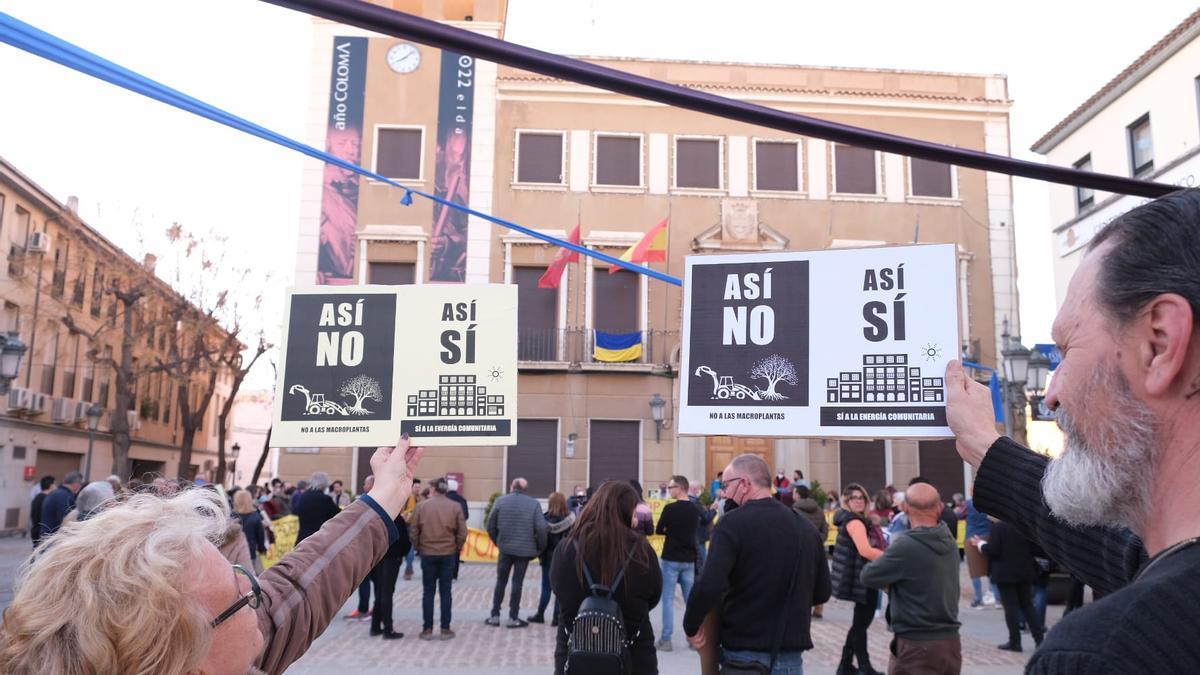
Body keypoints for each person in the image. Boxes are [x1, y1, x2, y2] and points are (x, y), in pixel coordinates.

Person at [941, 190, 1200, 673]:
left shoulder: (1105, 654)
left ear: (1159, 343)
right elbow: (1125, 556)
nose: (1051, 392)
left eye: (1065, 349)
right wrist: (986, 446)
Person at [0, 435, 423, 674]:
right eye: (241, 596)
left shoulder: (226, 648)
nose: (256, 586)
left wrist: (384, 496)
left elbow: (294, 589)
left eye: (240, 573)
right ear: (192, 662)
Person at [683, 454, 830, 674]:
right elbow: (822, 593)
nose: (723, 492)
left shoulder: (731, 524)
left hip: (745, 654)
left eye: (726, 485)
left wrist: (691, 626)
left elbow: (709, 584)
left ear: (744, 484)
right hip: (791, 657)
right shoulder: (805, 528)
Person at [551, 480, 662, 675]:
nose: (636, 519)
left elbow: (558, 589)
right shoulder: (642, 551)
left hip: (576, 655)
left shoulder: (566, 548)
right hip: (633, 656)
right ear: (627, 512)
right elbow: (654, 595)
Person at [862, 483, 962, 675]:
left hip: (916, 644)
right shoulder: (947, 538)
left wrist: (892, 583)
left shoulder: (906, 545)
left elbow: (869, 575)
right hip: (950, 643)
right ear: (940, 507)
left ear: (904, 507)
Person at [831, 482, 887, 675]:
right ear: (846, 501)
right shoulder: (855, 522)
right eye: (853, 498)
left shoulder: (852, 519)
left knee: (859, 622)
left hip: (858, 576)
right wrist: (891, 558)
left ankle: (845, 666)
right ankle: (864, 667)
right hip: (862, 578)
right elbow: (865, 550)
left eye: (861, 497)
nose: (858, 501)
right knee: (861, 623)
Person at [971, 520, 1045, 652]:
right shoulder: (1024, 525)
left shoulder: (999, 527)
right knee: (1027, 605)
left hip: (1005, 573)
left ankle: (1015, 641)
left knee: (1011, 608)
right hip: (1024, 571)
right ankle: (1039, 640)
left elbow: (994, 550)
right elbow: (1035, 548)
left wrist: (980, 544)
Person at [485, 477, 548, 627]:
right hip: (524, 551)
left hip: (505, 548)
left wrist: (498, 542)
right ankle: (513, 617)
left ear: (512, 487)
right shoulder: (534, 504)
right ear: (525, 489)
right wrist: (540, 548)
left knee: (501, 581)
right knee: (517, 583)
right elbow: (541, 529)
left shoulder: (500, 501)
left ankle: (495, 615)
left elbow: (490, 525)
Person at [411, 477, 468, 640]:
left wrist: (419, 547)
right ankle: (445, 628)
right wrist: (455, 547)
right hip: (448, 553)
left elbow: (414, 531)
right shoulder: (455, 506)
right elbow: (462, 532)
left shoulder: (422, 506)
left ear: (434, 489)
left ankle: (427, 629)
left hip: (428, 553)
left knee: (428, 591)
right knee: (445, 592)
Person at [654, 475, 702, 651]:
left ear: (680, 488)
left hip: (671, 558)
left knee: (667, 599)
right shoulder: (694, 509)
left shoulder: (670, 508)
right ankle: (694, 640)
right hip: (688, 559)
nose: (669, 489)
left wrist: (671, 531)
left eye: (671, 487)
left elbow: (659, 529)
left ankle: (666, 640)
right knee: (690, 601)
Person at [529, 491, 575, 626]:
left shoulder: (545, 520)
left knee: (546, 587)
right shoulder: (571, 520)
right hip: (565, 558)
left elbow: (541, 540)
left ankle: (540, 614)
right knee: (561, 589)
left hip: (548, 559)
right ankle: (557, 618)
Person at [369, 503, 412, 640]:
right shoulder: (397, 520)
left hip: (378, 559)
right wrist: (402, 554)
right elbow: (405, 542)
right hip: (391, 559)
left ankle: (375, 626)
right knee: (387, 593)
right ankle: (388, 629)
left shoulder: (378, 519)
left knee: (380, 592)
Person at [792, 484, 829, 619]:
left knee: (803, 578)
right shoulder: (818, 509)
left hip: (802, 549)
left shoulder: (795, 510)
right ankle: (819, 608)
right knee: (818, 576)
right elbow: (825, 528)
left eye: (794, 492)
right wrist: (819, 540)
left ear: (798, 495)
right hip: (817, 548)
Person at [346, 475, 377, 621]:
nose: (363, 486)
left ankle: (364, 609)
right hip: (377, 548)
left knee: (364, 580)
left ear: (371, 485)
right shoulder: (382, 500)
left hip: (366, 548)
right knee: (377, 582)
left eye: (365, 483)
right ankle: (376, 609)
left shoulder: (366, 501)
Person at [963, 494, 998, 608]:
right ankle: (996, 597)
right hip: (987, 535)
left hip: (971, 536)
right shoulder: (989, 502)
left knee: (975, 572)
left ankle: (978, 598)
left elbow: (959, 514)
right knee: (990, 568)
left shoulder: (968, 504)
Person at [294, 472, 340, 543]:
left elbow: (295, 510)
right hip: (318, 539)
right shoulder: (325, 499)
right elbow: (338, 515)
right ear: (324, 484)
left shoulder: (303, 496)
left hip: (302, 538)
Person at [233, 490, 268, 574]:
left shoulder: (232, 517)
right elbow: (260, 537)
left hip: (233, 552)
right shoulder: (256, 517)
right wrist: (262, 549)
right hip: (249, 551)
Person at [39, 471, 82, 537]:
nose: (80, 486)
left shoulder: (55, 493)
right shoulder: (65, 496)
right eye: (80, 483)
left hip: (46, 535)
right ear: (76, 484)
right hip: (54, 537)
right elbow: (66, 520)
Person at [402, 477, 423, 580]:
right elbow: (406, 512)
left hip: (415, 526)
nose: (417, 489)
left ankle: (409, 568)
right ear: (412, 487)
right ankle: (408, 569)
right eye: (416, 487)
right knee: (410, 548)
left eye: (419, 487)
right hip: (409, 525)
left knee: (410, 548)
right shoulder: (409, 498)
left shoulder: (419, 498)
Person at [29, 476, 54, 548]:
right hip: (42, 531)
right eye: (55, 484)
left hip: (35, 529)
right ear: (51, 485)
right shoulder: (47, 499)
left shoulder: (37, 497)